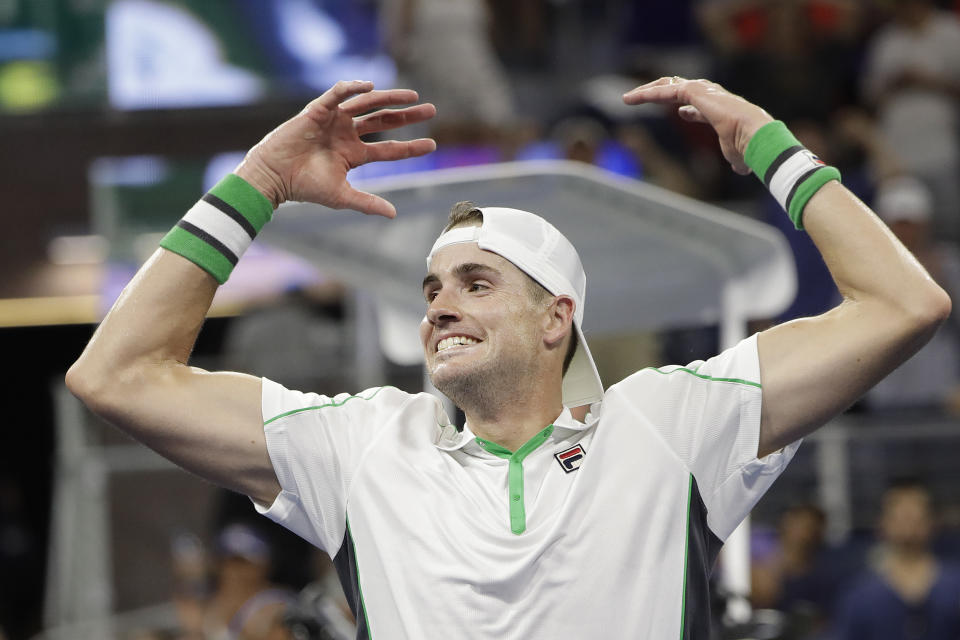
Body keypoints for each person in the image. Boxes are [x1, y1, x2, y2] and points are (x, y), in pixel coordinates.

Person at [66, 77, 950, 637]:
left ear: (556, 318)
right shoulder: (360, 445)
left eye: (477, 283)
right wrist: (256, 183)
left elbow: (903, 304)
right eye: (432, 291)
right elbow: (116, 374)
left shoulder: (673, 422)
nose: (441, 303)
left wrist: (770, 146)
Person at [834, 480, 960, 639]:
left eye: (916, 516)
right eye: (900, 516)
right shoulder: (860, 595)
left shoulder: (955, 585)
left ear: (932, 522)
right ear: (883, 524)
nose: (909, 523)